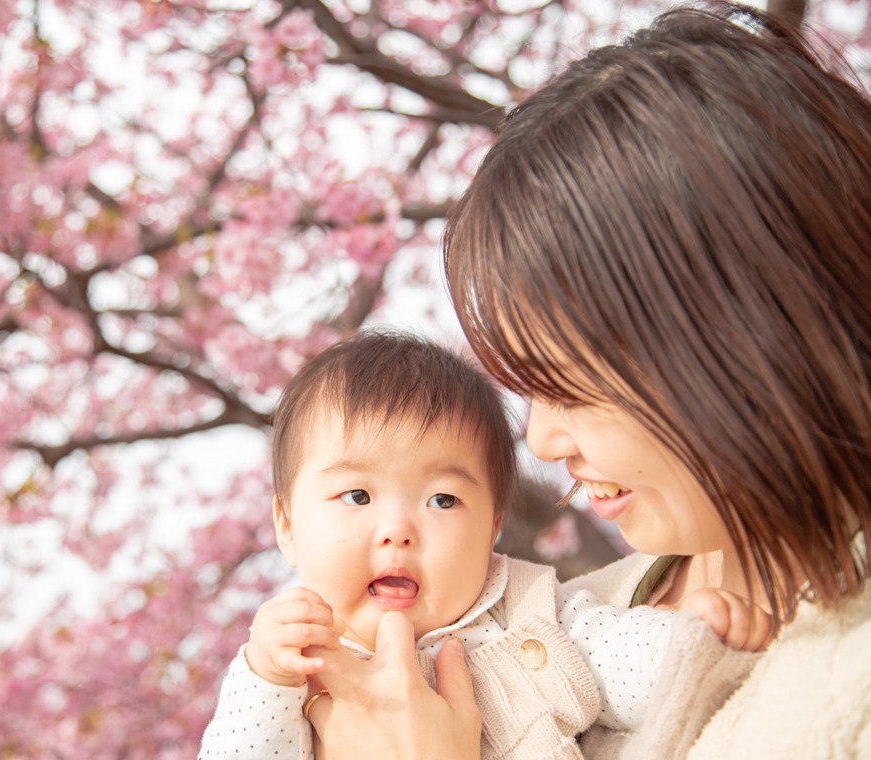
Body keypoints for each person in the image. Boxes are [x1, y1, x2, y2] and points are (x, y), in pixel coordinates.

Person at [304, 4, 871, 759]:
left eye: (568, 385)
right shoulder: (576, 620)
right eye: (529, 390)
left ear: (741, 330)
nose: (540, 437)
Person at [198, 330, 768, 759]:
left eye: (443, 500)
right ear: (287, 526)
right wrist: (264, 678)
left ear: (492, 528)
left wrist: (696, 637)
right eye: (357, 495)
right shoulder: (294, 670)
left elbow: (619, 663)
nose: (398, 530)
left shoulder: (534, 617)